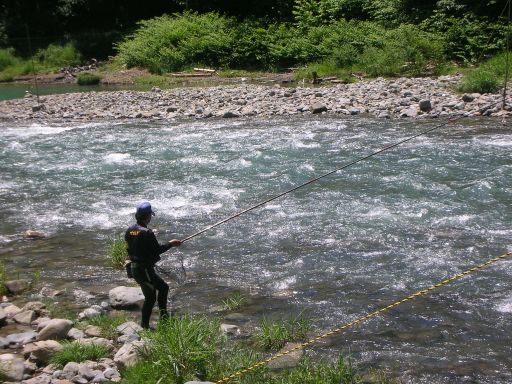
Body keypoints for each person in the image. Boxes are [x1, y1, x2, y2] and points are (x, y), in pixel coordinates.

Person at [125, 201, 182, 329]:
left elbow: (130, 249)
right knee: (150, 298)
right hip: (143, 270)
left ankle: (164, 317)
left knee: (163, 287)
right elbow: (157, 250)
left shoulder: (130, 230)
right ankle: (144, 326)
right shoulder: (147, 232)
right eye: (150, 215)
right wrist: (171, 243)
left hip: (136, 268)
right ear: (148, 216)